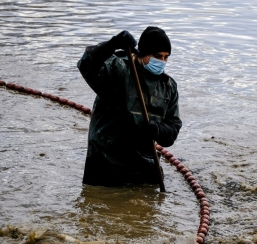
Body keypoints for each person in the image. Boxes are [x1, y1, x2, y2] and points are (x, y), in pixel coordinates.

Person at [77, 26, 181, 187]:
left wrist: (158, 130)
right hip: (107, 162)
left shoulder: (168, 87)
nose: (161, 62)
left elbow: (173, 127)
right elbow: (86, 65)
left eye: (166, 57)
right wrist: (112, 44)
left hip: (144, 165)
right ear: (142, 53)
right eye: (157, 56)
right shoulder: (118, 70)